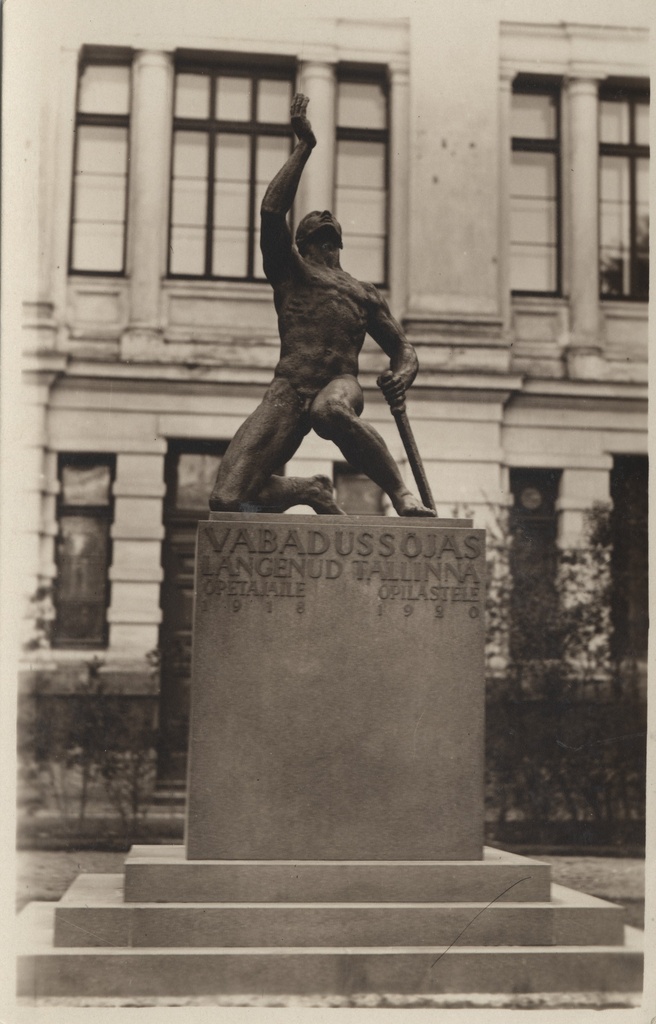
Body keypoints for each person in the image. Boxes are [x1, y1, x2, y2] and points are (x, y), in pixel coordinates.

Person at [210, 93, 435, 517]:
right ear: (302, 241)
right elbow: (271, 210)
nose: (327, 219)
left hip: (339, 383)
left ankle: (401, 494)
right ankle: (310, 490)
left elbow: (402, 347)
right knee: (226, 498)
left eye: (331, 229)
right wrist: (304, 146)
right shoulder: (290, 273)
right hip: (288, 388)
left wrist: (402, 374)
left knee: (328, 411)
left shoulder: (362, 293)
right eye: (319, 227)